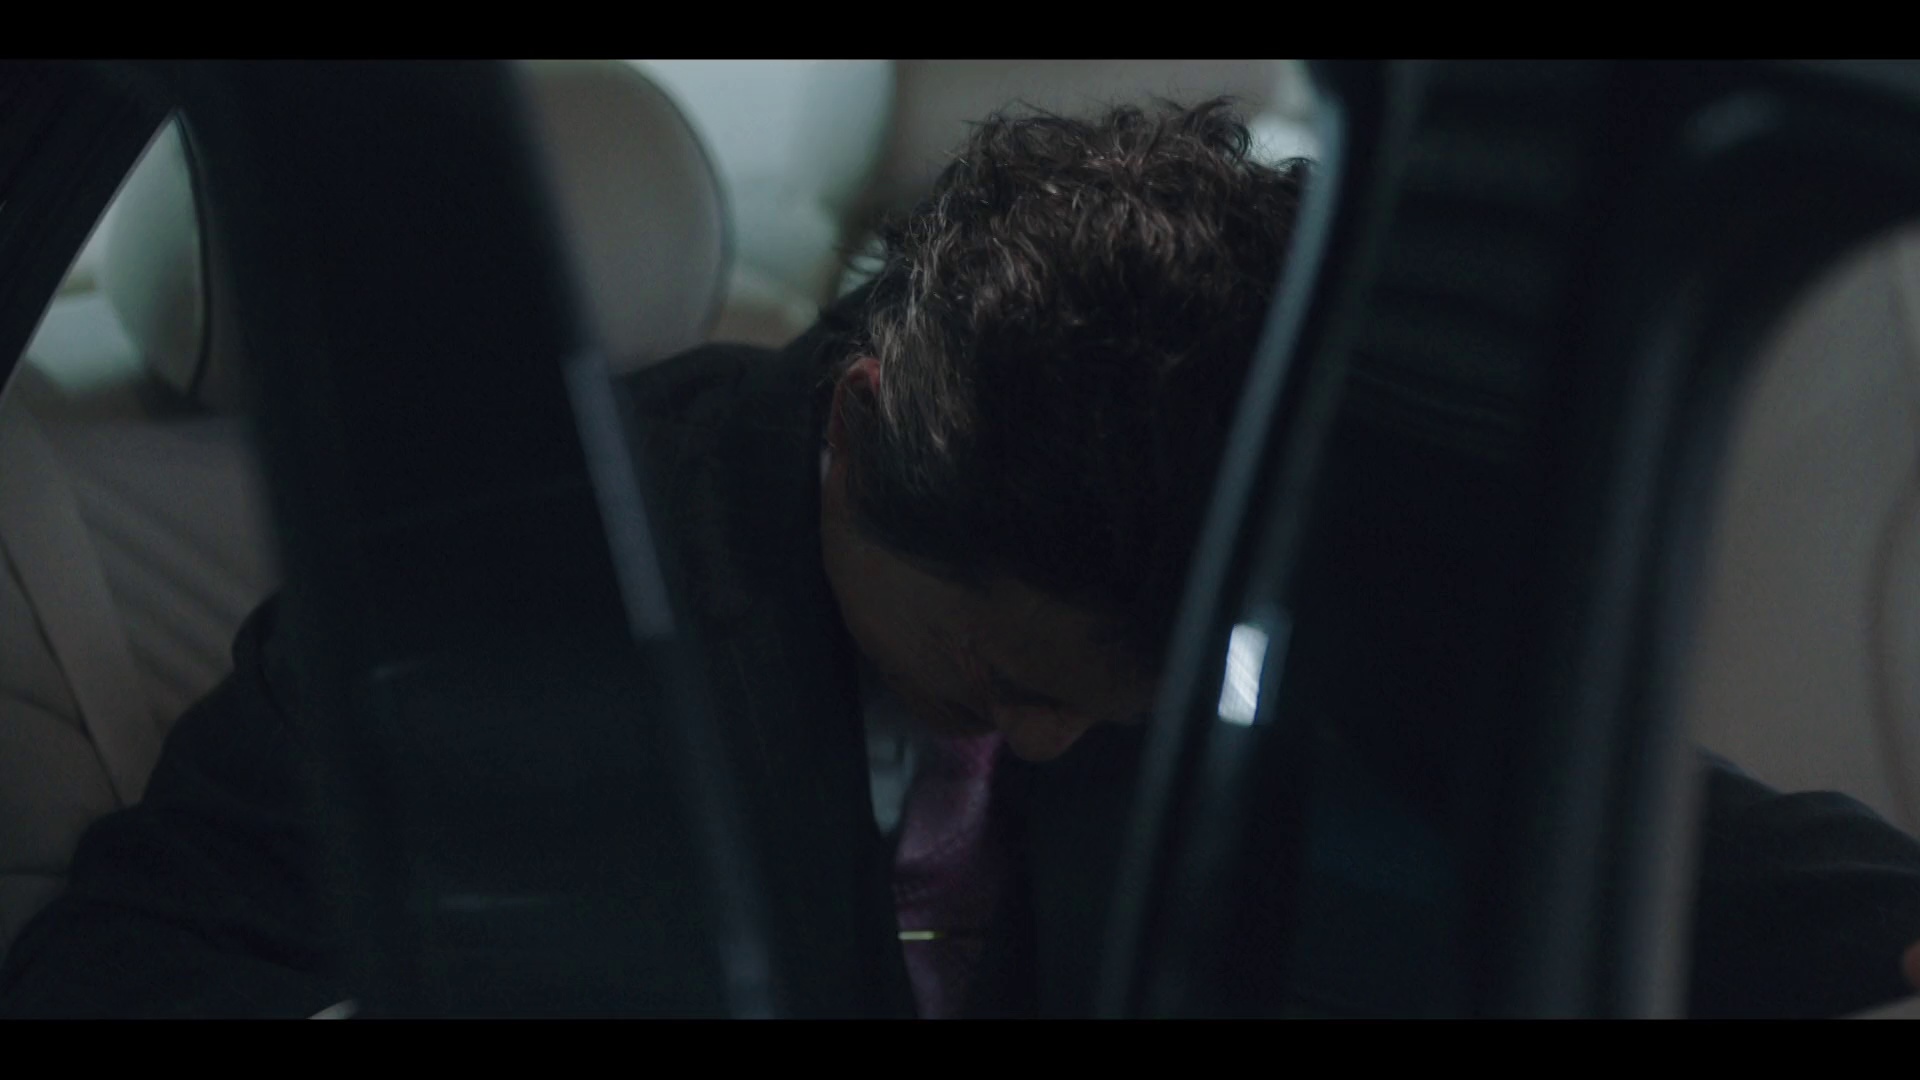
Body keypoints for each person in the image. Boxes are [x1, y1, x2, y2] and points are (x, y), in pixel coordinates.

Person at [3, 98, 1919, 1019]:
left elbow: (1573, 797)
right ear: (854, 443)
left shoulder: (1234, 539)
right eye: (1005, 682)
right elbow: (128, 968)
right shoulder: (517, 588)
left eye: (1117, 706)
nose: (1056, 744)